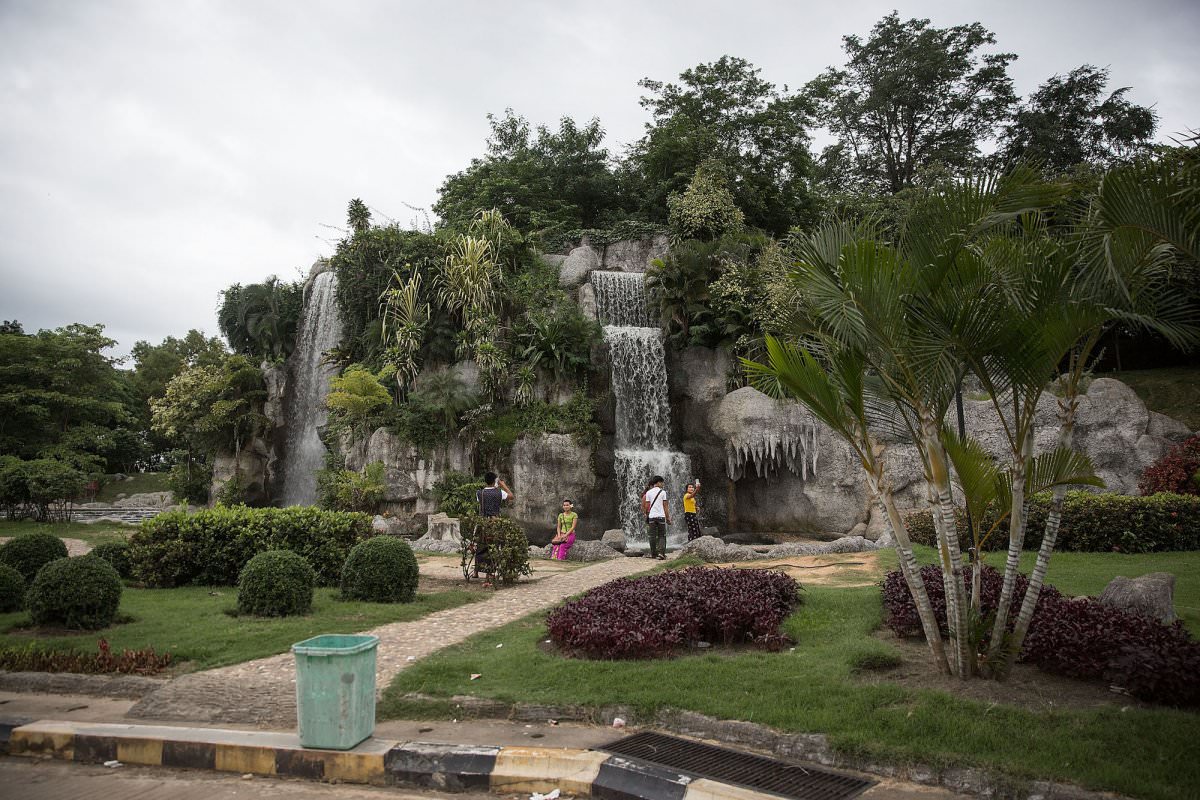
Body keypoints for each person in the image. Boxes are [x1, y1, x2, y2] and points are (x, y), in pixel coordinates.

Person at [472, 472, 514, 580]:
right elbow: (511, 496)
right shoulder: (499, 492)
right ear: (495, 481)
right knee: (493, 546)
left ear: (485, 481)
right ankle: (490, 572)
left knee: (480, 545)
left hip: (482, 522)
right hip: (495, 522)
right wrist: (503, 485)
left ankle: (476, 572)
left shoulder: (479, 493)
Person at [641, 475, 670, 560]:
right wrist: (668, 518)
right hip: (661, 516)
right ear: (658, 482)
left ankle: (653, 554)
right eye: (662, 482)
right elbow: (665, 506)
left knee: (652, 536)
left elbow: (647, 506)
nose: (663, 484)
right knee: (662, 535)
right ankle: (661, 553)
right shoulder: (663, 492)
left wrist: (647, 514)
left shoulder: (649, 492)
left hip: (652, 517)